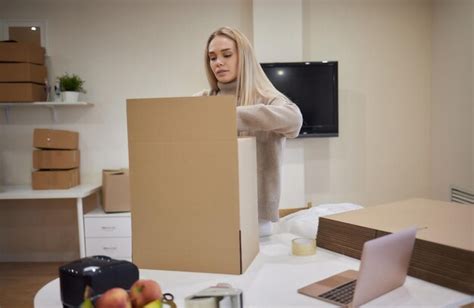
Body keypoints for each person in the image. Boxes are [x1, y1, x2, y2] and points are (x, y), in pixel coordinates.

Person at [195, 26, 303, 236]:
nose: (218, 62)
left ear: (243, 57)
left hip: (256, 217)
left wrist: (231, 116)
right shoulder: (204, 100)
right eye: (212, 57)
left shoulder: (268, 98)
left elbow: (294, 121)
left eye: (226, 55)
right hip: (212, 208)